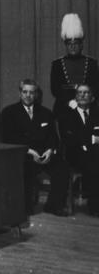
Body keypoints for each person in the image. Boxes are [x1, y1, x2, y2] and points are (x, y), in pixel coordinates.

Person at [1, 79, 69, 216]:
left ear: (36, 94)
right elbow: (9, 138)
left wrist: (50, 150)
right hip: (24, 154)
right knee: (25, 170)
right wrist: (30, 151)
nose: (28, 95)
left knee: (62, 168)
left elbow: (53, 137)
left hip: (44, 154)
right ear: (20, 93)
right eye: (25, 92)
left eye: (31, 92)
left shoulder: (46, 113)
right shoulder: (9, 112)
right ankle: (26, 206)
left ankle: (53, 205)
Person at [58, 83, 99, 216]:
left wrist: (88, 140)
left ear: (92, 97)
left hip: (95, 153)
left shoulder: (97, 113)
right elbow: (69, 139)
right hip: (74, 154)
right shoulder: (67, 115)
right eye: (79, 93)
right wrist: (92, 140)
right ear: (75, 97)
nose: (82, 95)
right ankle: (95, 206)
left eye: (86, 92)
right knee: (94, 164)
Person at [50, 13, 99, 118]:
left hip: (89, 107)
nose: (72, 47)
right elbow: (55, 89)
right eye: (69, 44)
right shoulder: (57, 64)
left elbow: (96, 86)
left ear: (81, 45)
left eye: (76, 44)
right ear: (66, 46)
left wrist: (85, 102)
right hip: (64, 108)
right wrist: (69, 101)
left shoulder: (92, 63)